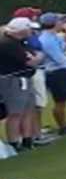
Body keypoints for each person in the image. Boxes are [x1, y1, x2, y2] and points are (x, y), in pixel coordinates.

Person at [0, 18, 42, 151]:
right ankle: (14, 142)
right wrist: (37, 58)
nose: (32, 31)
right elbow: (30, 61)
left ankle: (27, 140)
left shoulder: (21, 42)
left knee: (28, 109)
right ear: (21, 30)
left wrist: (36, 58)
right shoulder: (7, 43)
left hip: (25, 78)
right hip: (13, 80)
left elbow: (34, 56)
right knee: (16, 112)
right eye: (29, 28)